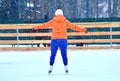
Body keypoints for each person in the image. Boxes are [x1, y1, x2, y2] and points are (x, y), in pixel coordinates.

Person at [33, 9, 87, 74]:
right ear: (62, 14)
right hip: (63, 39)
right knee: (64, 54)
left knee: (53, 54)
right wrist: (83, 30)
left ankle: (50, 67)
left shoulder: (53, 21)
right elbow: (74, 26)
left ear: (56, 14)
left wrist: (35, 27)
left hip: (54, 40)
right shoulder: (65, 21)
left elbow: (44, 25)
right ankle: (66, 68)